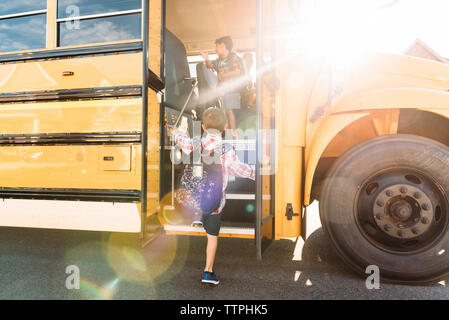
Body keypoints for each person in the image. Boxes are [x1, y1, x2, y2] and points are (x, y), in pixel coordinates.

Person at [169, 107, 255, 285]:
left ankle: (196, 213)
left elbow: (182, 141)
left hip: (191, 196)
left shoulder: (195, 142)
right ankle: (208, 272)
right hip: (215, 201)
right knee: (212, 237)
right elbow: (239, 169)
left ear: (204, 127)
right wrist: (257, 173)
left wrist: (175, 132)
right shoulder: (226, 149)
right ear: (224, 127)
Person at [200, 36, 245, 137]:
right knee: (224, 111)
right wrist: (206, 58)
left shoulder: (233, 57)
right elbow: (209, 66)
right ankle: (225, 132)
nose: (215, 49)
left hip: (233, 89)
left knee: (230, 111)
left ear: (223, 46)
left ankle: (233, 134)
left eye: (217, 46)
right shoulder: (219, 60)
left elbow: (238, 71)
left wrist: (224, 75)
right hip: (223, 90)